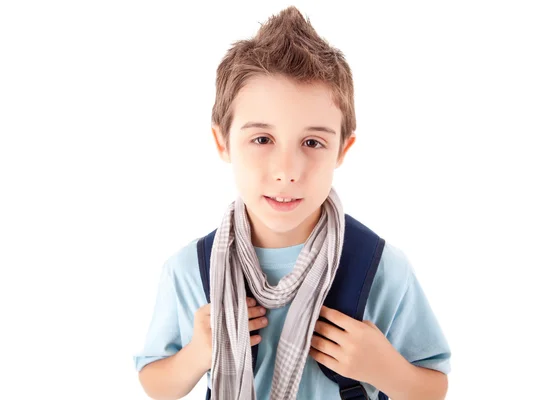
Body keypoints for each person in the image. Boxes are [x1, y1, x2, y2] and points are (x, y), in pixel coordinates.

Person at [133, 6, 451, 400]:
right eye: (262, 139)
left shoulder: (380, 268)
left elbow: (433, 386)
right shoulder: (190, 270)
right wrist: (198, 353)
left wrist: (384, 369)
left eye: (312, 142)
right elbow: (155, 382)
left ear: (342, 149)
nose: (287, 170)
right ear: (222, 142)